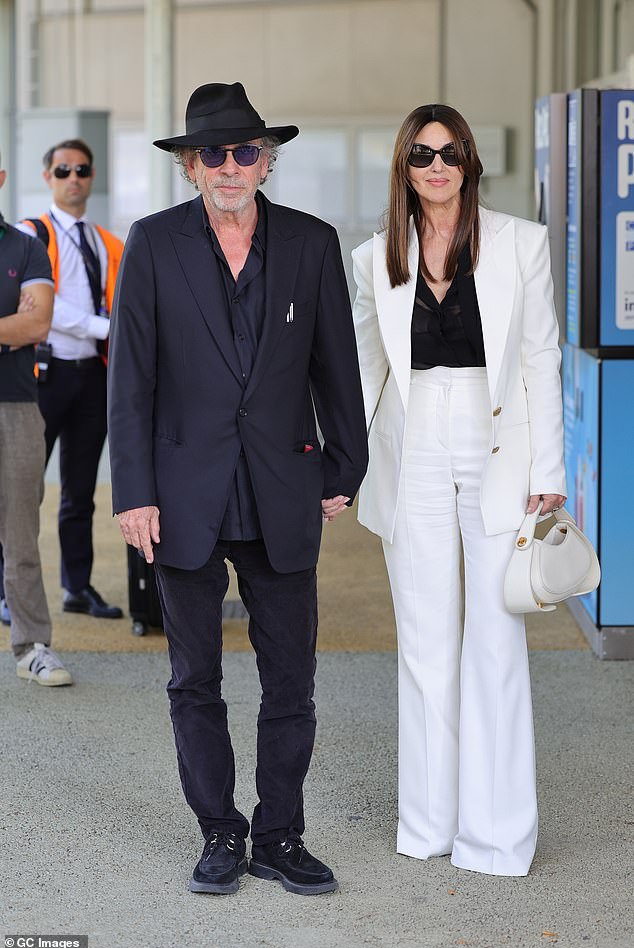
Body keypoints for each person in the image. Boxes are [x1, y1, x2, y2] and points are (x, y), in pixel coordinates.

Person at [108, 82, 368, 896]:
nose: (230, 165)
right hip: (182, 492)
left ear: (266, 162)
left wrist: (343, 467)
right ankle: (220, 829)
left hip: (282, 488)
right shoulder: (151, 245)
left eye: (245, 151)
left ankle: (281, 834)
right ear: (190, 166)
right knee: (195, 678)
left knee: (292, 676)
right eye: (213, 152)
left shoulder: (312, 244)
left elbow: (337, 367)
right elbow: (133, 381)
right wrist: (133, 491)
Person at [352, 104, 566, 877]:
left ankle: (499, 835)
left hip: (496, 439)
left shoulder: (522, 243)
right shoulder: (374, 255)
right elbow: (366, 372)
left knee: (495, 639)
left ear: (470, 161)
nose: (436, 166)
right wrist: (341, 466)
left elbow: (542, 358)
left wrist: (551, 472)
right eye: (421, 154)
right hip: (415, 447)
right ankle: (429, 822)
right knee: (424, 640)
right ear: (404, 168)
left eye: (449, 153)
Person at [1, 138, 124, 621]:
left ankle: (78, 586)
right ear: (47, 177)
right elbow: (46, 314)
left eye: (82, 169)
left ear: (91, 177)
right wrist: (100, 326)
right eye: (64, 170)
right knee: (19, 490)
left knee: (80, 491)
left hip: (92, 374)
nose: (74, 177)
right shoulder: (32, 235)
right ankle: (9, 591)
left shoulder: (106, 241)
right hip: (43, 376)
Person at [0, 152, 72, 686]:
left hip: (16, 408)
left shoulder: (25, 248)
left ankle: (31, 647)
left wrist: (19, 325)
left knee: (21, 535)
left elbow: (36, 323)